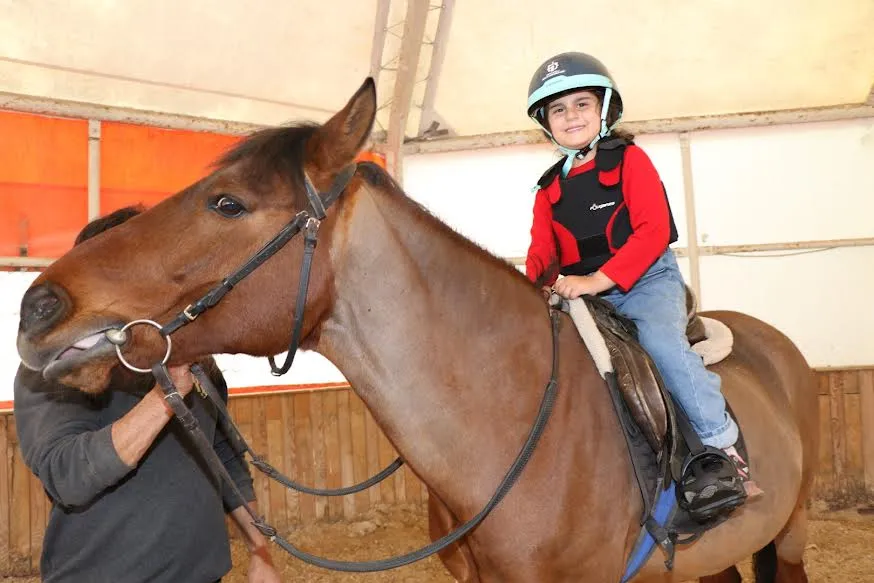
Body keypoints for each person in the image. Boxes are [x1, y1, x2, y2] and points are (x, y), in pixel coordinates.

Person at [523, 52, 763, 514]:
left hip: (645, 281)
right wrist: (532, 285)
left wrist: (598, 278)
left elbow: (652, 231)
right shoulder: (547, 188)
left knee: (660, 342)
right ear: (546, 122)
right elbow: (541, 254)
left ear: (604, 110)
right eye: (559, 109)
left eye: (581, 104)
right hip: (581, 294)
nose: (571, 116)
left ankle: (722, 451)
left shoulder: (629, 160)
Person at [14, 206, 281, 583]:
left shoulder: (190, 357)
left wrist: (260, 551)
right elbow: (68, 476)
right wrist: (163, 400)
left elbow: (224, 457)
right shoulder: (54, 370)